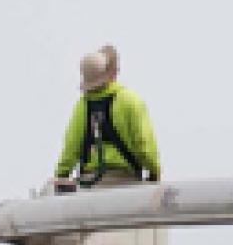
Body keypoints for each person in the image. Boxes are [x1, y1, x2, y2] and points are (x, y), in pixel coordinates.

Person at [54, 45, 160, 188]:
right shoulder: (130, 100)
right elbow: (144, 144)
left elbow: (71, 147)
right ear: (114, 72)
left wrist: (61, 175)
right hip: (127, 182)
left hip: (90, 183)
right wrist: (154, 170)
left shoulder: (82, 106)